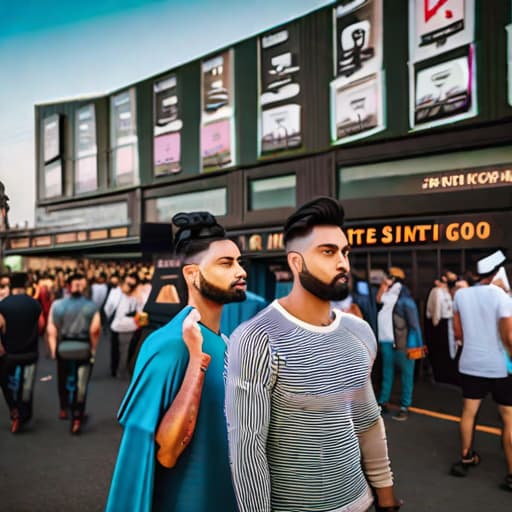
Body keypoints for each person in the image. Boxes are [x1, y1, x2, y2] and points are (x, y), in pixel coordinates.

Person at [225, 197, 400, 512]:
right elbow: (247, 449)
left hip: (361, 500)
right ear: (296, 262)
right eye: (328, 252)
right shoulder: (256, 339)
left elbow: (367, 422)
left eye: (344, 252)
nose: (343, 262)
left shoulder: (359, 332)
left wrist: (387, 500)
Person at [106, 211, 245, 512]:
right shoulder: (169, 344)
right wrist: (196, 362)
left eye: (239, 261)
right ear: (192, 274)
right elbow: (162, 452)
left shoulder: (226, 340)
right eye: (226, 263)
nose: (240, 271)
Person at [450, 250, 512, 492]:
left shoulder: (460, 295)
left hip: (470, 363)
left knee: (468, 412)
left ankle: (465, 459)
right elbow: (508, 336)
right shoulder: (503, 298)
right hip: (499, 367)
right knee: (508, 418)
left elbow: (458, 333)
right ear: (497, 273)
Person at [47, 273, 101, 434]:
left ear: (68, 286)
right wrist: (93, 349)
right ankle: (77, 415)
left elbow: (52, 329)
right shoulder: (91, 306)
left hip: (64, 348)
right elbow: (95, 330)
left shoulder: (58, 305)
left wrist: (53, 349)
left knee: (63, 378)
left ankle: (64, 408)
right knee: (81, 384)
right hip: (83, 348)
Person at [377, 267, 424, 421]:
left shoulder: (403, 298)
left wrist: (415, 346)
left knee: (406, 375)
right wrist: (384, 286)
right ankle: (384, 402)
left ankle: (404, 405)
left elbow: (414, 325)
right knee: (388, 373)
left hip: (403, 343)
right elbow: (379, 299)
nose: (385, 279)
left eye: (389, 277)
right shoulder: (388, 295)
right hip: (387, 340)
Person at [0, 272, 42, 433]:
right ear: (26, 286)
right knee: (27, 385)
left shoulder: (3, 305)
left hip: (9, 355)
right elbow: (41, 326)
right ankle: (24, 413)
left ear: (10, 285)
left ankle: (14, 411)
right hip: (30, 353)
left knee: (6, 383)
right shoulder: (35, 305)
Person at [107, 273, 145, 379]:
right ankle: (119, 369)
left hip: (127, 326)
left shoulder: (136, 294)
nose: (129, 286)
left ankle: (120, 370)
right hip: (123, 325)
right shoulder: (119, 293)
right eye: (127, 283)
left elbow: (108, 308)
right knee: (121, 350)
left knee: (123, 350)